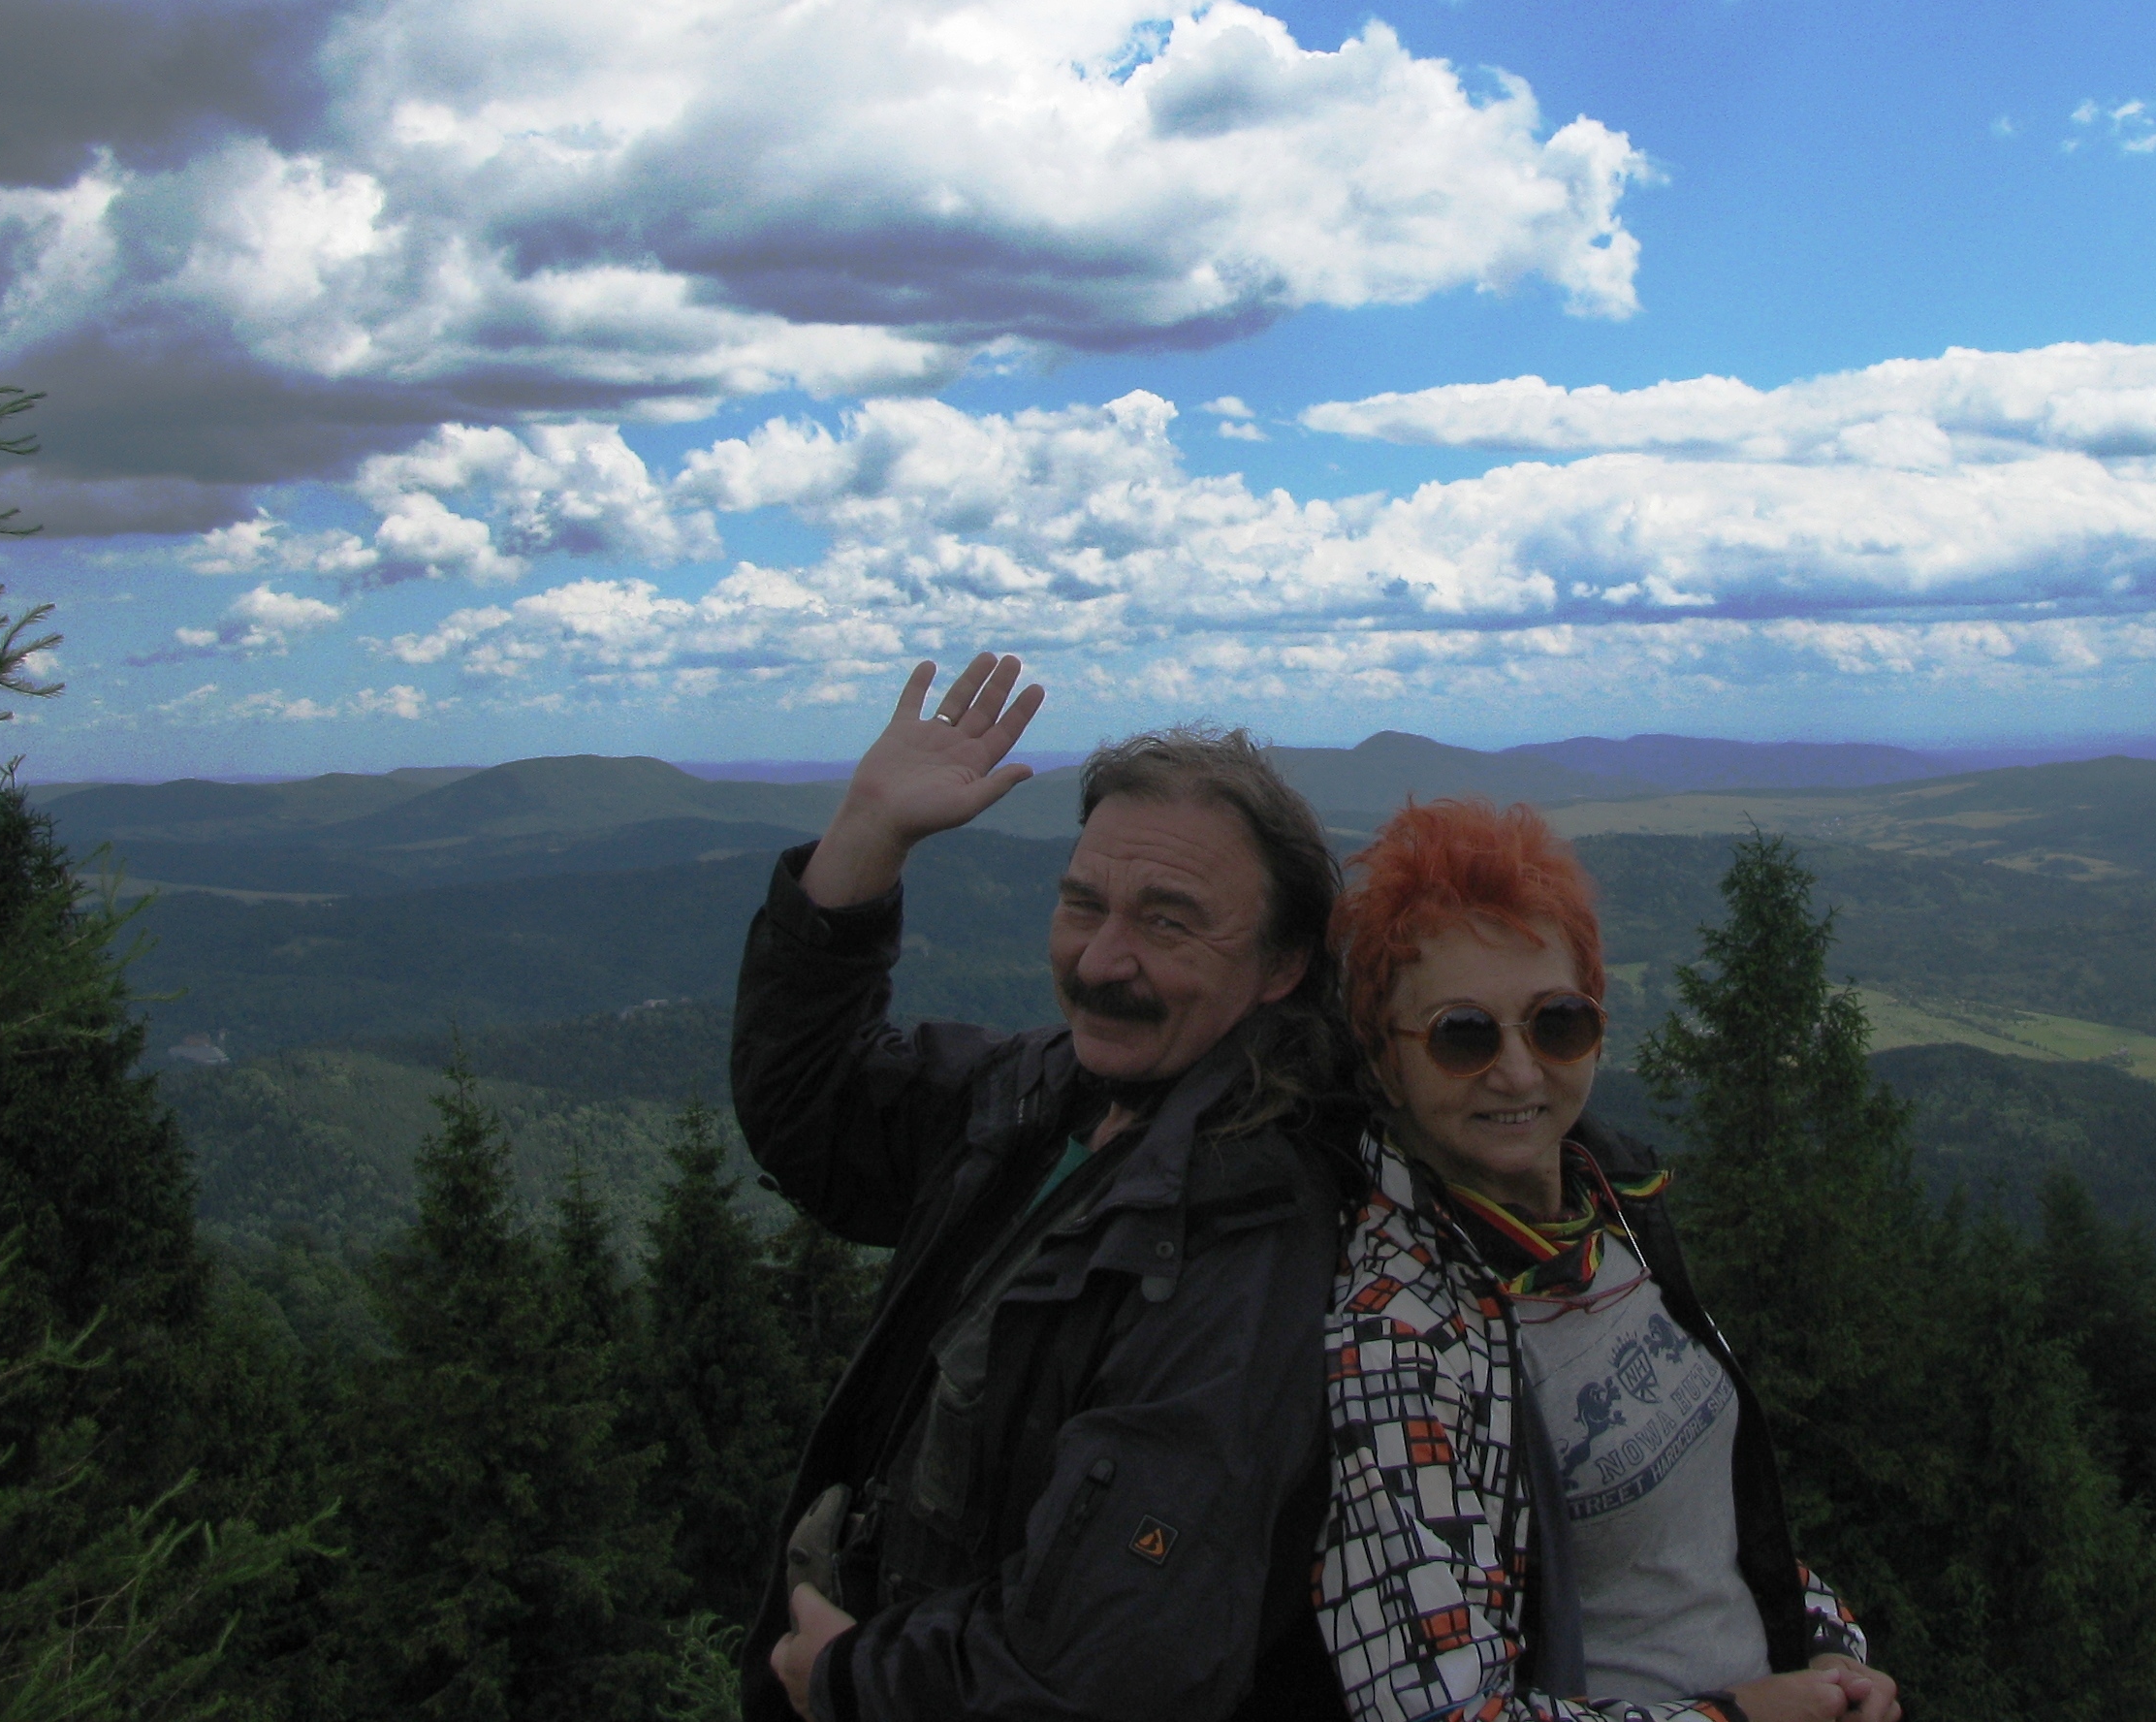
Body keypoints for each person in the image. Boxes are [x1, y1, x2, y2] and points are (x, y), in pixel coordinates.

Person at [732, 652, 1358, 1722]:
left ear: (1282, 965)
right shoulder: (1043, 1096)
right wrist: (867, 834)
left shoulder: (1244, 1230)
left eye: (1167, 921)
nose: (1102, 960)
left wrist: (853, 1682)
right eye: (1082, 904)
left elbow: (1113, 1668)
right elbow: (814, 1112)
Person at [1315, 797, 1903, 1722]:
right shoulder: (1395, 1338)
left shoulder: (1613, 1215)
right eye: (1463, 1034)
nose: (1519, 1073)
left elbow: (1707, 1539)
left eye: (1556, 1023)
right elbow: (1438, 1710)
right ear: (1385, 1062)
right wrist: (1741, 1716)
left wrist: (1830, 1648)